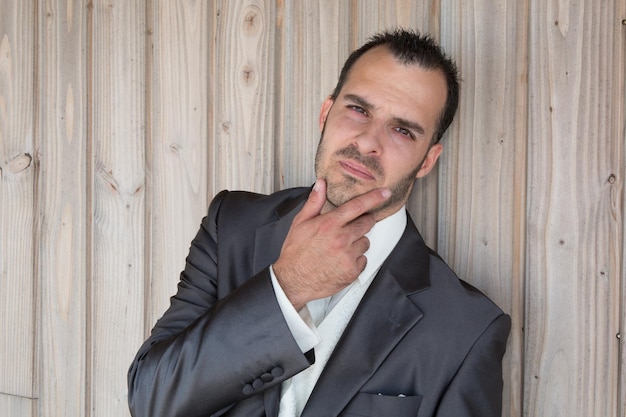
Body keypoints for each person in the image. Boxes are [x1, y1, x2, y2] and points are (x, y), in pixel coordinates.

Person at [127, 28, 510, 417]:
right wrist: (288, 287)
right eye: (358, 109)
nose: (366, 142)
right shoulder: (232, 228)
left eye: (401, 130)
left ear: (428, 159)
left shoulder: (468, 328)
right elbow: (151, 400)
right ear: (326, 113)